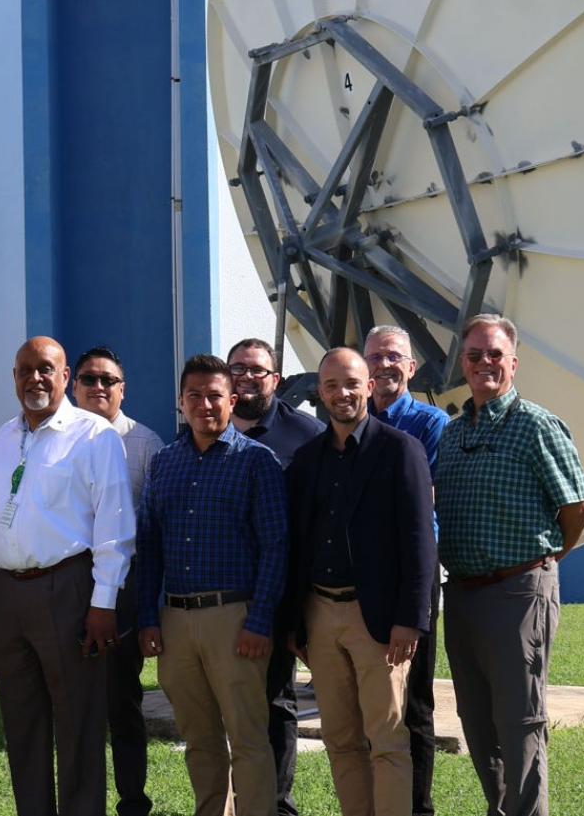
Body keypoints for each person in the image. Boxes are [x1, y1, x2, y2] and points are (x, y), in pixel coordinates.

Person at [0, 336, 134, 816]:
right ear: (13, 377)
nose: (35, 378)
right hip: (9, 596)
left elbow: (115, 526)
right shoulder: (2, 437)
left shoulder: (94, 436)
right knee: (22, 725)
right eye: (25, 369)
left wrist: (103, 604)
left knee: (78, 723)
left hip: (69, 591)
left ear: (65, 378)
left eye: (46, 369)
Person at [436, 315, 584, 816]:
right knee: (477, 721)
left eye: (494, 355)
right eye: (474, 355)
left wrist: (545, 561)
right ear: (463, 363)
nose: (484, 363)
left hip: (517, 592)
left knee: (519, 721)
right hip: (462, 595)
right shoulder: (453, 433)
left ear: (513, 362)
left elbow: (578, 509)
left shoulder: (536, 425)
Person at [285, 348, 435, 816]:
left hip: (379, 621)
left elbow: (418, 542)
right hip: (320, 615)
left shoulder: (400, 450)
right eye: (331, 386)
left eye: (351, 383)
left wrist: (410, 620)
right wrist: (295, 623)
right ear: (320, 393)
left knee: (387, 739)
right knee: (341, 739)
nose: (341, 393)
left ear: (369, 385)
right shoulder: (307, 459)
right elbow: (296, 543)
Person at [137, 354, 286, 816]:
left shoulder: (258, 462)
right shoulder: (164, 463)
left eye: (215, 396)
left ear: (232, 399)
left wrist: (259, 622)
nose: (205, 404)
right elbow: (149, 548)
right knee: (199, 739)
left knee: (247, 737)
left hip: (235, 619)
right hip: (176, 620)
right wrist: (147, 619)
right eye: (195, 396)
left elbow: (276, 548)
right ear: (181, 403)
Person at [227, 336, 327, 816]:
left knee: (274, 702)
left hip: (278, 596)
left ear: (277, 380)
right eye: (238, 369)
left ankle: (277, 804)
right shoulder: (205, 426)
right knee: (226, 707)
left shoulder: (306, 435)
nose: (246, 377)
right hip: (216, 595)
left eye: (257, 370)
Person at [71, 345, 164, 816]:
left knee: (122, 705)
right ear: (74, 386)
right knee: (73, 711)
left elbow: (154, 536)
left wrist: (148, 611)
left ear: (122, 389)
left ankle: (132, 802)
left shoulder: (145, 446)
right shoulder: (57, 439)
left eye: (108, 380)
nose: (98, 387)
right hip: (64, 593)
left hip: (122, 599)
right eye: (89, 379)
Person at [363, 325, 448, 816]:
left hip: (412, 580)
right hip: (358, 583)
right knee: (369, 706)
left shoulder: (431, 425)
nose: (384, 365)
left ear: (411, 367)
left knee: (413, 705)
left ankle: (418, 808)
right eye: (375, 356)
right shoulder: (345, 422)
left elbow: (429, 504)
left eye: (394, 356)